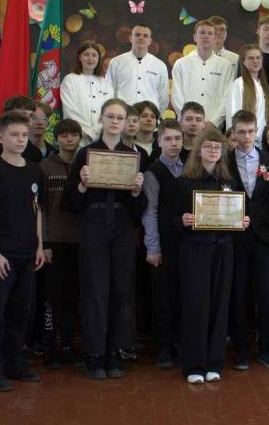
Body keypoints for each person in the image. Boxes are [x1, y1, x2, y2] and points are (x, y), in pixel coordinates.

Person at [62, 98, 146, 380]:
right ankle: (94, 354)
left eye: (120, 118)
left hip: (122, 227)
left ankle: (114, 352)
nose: (114, 122)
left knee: (122, 290)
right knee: (95, 290)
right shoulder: (86, 154)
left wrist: (136, 192)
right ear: (101, 119)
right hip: (94, 225)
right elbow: (68, 202)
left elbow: (140, 209)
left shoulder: (133, 155)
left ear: (126, 123)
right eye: (110, 116)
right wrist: (82, 185)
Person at [0, 110, 46, 391]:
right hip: (1, 254)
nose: (20, 140)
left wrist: (39, 245)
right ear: (1, 137)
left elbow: (37, 209)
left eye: (24, 135)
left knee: (21, 312)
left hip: (27, 253)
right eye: (14, 135)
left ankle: (14, 363)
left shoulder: (34, 170)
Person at [178, 128, 250, 383]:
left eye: (217, 147)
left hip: (223, 249)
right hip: (196, 250)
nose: (212, 151)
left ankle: (214, 363)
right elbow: (169, 217)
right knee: (197, 305)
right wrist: (182, 220)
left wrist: (243, 221)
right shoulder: (185, 181)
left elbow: (240, 211)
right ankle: (194, 366)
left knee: (220, 305)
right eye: (208, 146)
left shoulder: (229, 182)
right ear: (199, 150)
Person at [226, 110, 269, 370]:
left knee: (268, 294)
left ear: (257, 131)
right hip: (234, 238)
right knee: (239, 294)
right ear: (233, 132)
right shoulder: (224, 161)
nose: (247, 136)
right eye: (241, 132)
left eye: (251, 131)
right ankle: (241, 349)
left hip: (265, 239)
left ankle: (266, 348)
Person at [141, 119, 185, 369]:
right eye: (168, 139)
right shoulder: (153, 172)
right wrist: (153, 247)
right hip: (163, 243)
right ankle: (163, 347)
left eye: (177, 138)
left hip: (186, 243)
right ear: (159, 142)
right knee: (163, 299)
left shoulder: (189, 167)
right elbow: (150, 211)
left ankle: (179, 341)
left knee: (182, 295)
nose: (173, 143)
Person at [38, 118, 83, 369]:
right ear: (56, 139)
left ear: (80, 138)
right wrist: (44, 242)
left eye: (73, 135)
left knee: (72, 297)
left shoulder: (86, 165)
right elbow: (41, 208)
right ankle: (49, 345)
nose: (69, 139)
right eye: (64, 135)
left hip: (79, 241)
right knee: (50, 297)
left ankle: (68, 344)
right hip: (53, 242)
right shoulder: (44, 167)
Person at [171, 20, 235, 126]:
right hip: (186, 126)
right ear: (194, 37)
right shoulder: (181, 64)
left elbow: (227, 97)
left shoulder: (225, 66)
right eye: (202, 33)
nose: (206, 36)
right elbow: (176, 96)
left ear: (215, 38)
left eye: (210, 33)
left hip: (213, 127)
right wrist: (189, 119)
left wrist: (213, 122)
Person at [105, 24, 169, 112]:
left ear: (150, 41)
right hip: (123, 114)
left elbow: (163, 98)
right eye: (137, 35)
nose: (141, 38)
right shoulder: (116, 62)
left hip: (148, 116)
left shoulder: (160, 65)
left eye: (145, 36)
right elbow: (108, 91)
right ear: (130, 38)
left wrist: (154, 114)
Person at [60, 41, 113, 146]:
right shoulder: (70, 80)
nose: (90, 58)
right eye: (86, 54)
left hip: (102, 139)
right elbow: (70, 111)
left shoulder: (105, 83)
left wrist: (97, 132)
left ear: (98, 59)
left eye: (94, 55)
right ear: (80, 57)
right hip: (77, 139)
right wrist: (88, 133)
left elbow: (110, 111)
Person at [224, 45, 269, 148]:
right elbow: (233, 115)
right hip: (244, 142)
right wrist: (234, 140)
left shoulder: (263, 85)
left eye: (258, 58)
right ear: (243, 61)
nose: (255, 61)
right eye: (251, 58)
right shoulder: (239, 84)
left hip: (261, 142)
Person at [122, 104, 150, 169]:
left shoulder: (143, 153)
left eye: (135, 121)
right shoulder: (110, 150)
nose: (131, 124)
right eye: (126, 121)